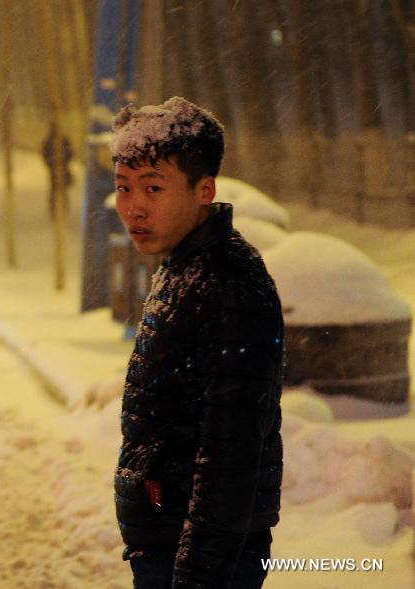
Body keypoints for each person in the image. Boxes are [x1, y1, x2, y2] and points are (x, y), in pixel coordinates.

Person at [110, 97, 283, 589]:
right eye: (124, 188)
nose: (133, 207)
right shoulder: (186, 267)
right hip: (168, 541)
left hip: (204, 558)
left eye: (154, 188)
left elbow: (230, 454)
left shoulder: (227, 283)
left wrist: (197, 576)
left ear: (204, 190)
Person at [42, 121, 74, 219]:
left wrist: (62, 162)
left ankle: (59, 211)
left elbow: (70, 152)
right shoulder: (55, 140)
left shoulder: (60, 140)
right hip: (56, 168)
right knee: (56, 190)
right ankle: (57, 211)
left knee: (58, 190)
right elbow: (45, 153)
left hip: (60, 167)